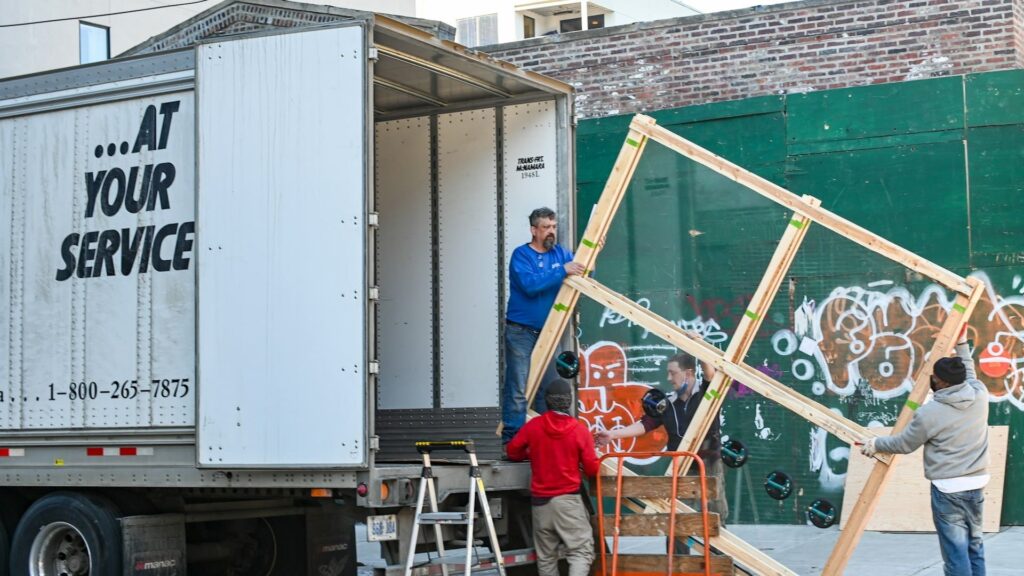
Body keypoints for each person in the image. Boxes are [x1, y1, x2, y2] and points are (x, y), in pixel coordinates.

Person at [861, 327, 988, 576]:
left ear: (940, 382)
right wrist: (962, 343)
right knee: (975, 546)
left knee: (955, 552)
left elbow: (904, 444)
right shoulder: (979, 394)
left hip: (948, 489)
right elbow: (969, 373)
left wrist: (876, 444)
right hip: (977, 484)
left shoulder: (930, 413)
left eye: (935, 377)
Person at [595, 347, 729, 525]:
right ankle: (676, 553)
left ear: (688, 373)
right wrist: (612, 435)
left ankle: (717, 551)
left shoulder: (706, 393)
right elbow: (645, 425)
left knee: (716, 512)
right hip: (682, 464)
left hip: (709, 462)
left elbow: (710, 373)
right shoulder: (668, 402)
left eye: (672, 373)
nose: (669, 378)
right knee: (677, 516)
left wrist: (697, 344)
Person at [502, 207, 584, 445]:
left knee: (548, 389)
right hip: (521, 331)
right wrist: (561, 270)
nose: (551, 232)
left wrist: (594, 251)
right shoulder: (521, 255)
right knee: (518, 387)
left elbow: (584, 272)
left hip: (549, 331)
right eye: (546, 227)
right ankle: (512, 443)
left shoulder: (560, 253)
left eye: (554, 227)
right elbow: (530, 285)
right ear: (533, 230)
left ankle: (546, 444)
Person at [506, 379, 599, 576]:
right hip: (568, 503)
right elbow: (592, 469)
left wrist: (532, 453)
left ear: (547, 401)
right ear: (569, 401)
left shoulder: (534, 426)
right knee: (581, 552)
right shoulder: (579, 430)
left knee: (546, 559)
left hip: (540, 505)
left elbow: (512, 451)